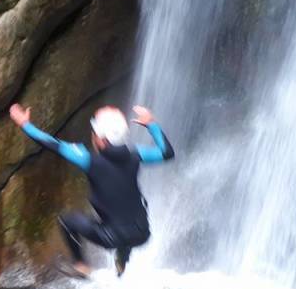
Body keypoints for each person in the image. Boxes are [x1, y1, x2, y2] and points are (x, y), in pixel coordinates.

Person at [9, 103, 174, 277]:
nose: (92, 136)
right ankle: (122, 258)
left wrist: (25, 125)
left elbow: (53, 144)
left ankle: (81, 265)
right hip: (142, 233)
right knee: (125, 223)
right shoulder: (136, 154)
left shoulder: (88, 159)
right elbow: (167, 152)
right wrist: (151, 123)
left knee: (67, 221)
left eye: (94, 134)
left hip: (111, 237)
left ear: (102, 140)